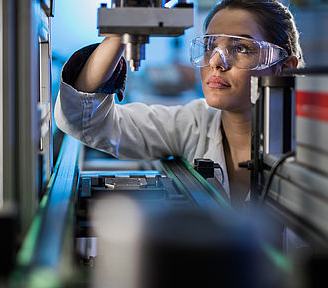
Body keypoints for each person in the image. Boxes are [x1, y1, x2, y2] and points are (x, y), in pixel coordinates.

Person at [54, 0, 304, 208]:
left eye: (241, 48)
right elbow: (84, 119)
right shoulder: (194, 124)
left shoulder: (314, 147)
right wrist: (122, 32)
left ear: (284, 68)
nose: (217, 62)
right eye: (210, 46)